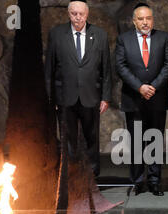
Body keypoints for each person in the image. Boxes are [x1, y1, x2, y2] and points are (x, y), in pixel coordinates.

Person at [45, 0, 111, 177]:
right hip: (65, 97)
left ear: (87, 14)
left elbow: (106, 69)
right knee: (68, 139)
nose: (78, 17)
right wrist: (51, 99)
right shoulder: (57, 34)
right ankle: (70, 177)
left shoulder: (100, 35)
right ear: (69, 14)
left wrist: (105, 97)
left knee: (92, 138)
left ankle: (92, 177)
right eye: (74, 13)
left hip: (91, 96)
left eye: (81, 13)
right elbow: (49, 69)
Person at [115, 3, 168, 196]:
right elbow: (121, 66)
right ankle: (138, 181)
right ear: (134, 21)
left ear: (153, 20)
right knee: (136, 142)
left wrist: (153, 86)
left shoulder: (163, 37)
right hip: (134, 98)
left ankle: (155, 181)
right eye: (140, 19)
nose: (145, 22)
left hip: (157, 98)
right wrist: (140, 87)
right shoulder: (124, 39)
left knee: (156, 140)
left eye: (148, 18)